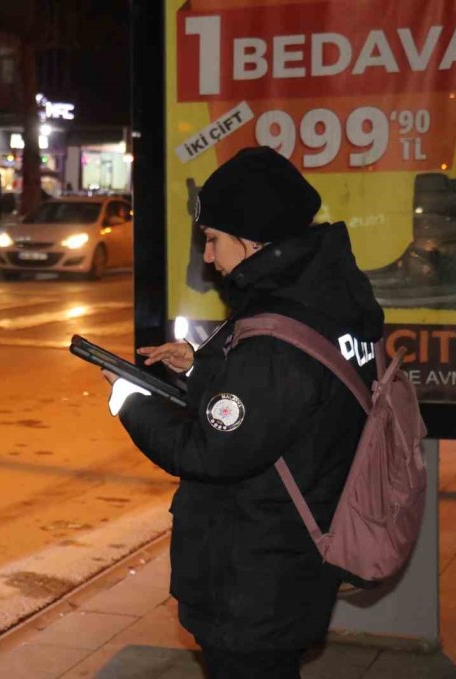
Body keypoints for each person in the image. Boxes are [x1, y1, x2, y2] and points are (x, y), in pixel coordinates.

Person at [98, 146, 384, 679]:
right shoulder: (329, 295)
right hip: (296, 549)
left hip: (255, 574)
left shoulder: (277, 332)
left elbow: (209, 451)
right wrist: (202, 366)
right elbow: (289, 395)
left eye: (213, 239)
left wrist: (128, 398)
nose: (208, 258)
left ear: (253, 239)